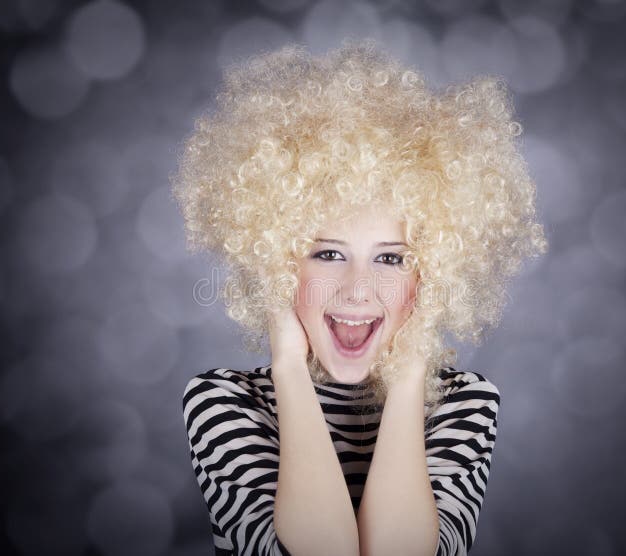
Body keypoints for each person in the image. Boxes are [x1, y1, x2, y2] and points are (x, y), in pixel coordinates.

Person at [172, 39, 546, 556]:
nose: (357, 288)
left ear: (430, 272)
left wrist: (412, 367)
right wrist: (287, 366)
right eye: (327, 254)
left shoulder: (466, 404)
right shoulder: (224, 402)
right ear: (279, 261)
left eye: (391, 258)